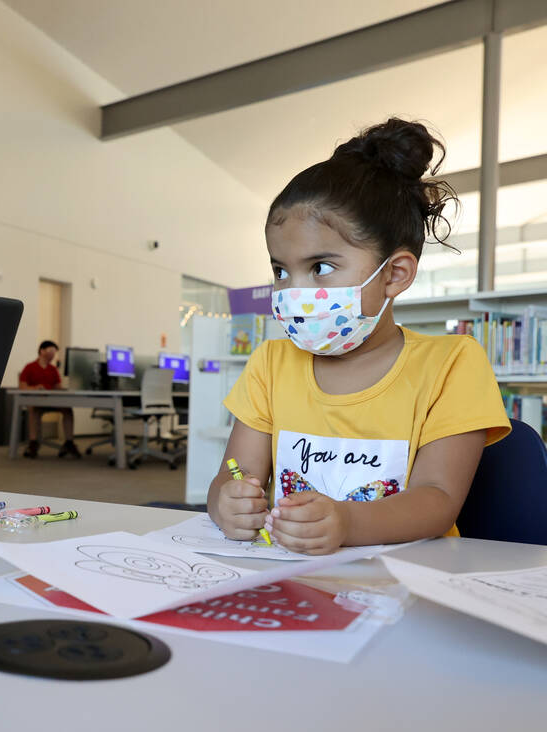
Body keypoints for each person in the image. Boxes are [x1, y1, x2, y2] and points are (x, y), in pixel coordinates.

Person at [208, 118, 510, 555]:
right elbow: (233, 474)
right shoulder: (270, 365)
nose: (293, 291)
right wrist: (225, 501)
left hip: (411, 581)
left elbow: (438, 500)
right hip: (288, 576)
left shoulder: (452, 364)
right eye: (280, 270)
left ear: (395, 274)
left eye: (321, 267)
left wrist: (347, 521)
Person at [19, 340, 82, 458]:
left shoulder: (53, 370)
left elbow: (58, 388)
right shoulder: (30, 367)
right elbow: (22, 386)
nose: (53, 354)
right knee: (33, 409)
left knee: (67, 410)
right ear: (42, 351)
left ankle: (69, 442)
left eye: (54, 351)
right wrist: (35, 388)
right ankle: (33, 443)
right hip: (37, 401)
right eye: (51, 350)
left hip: (52, 400)